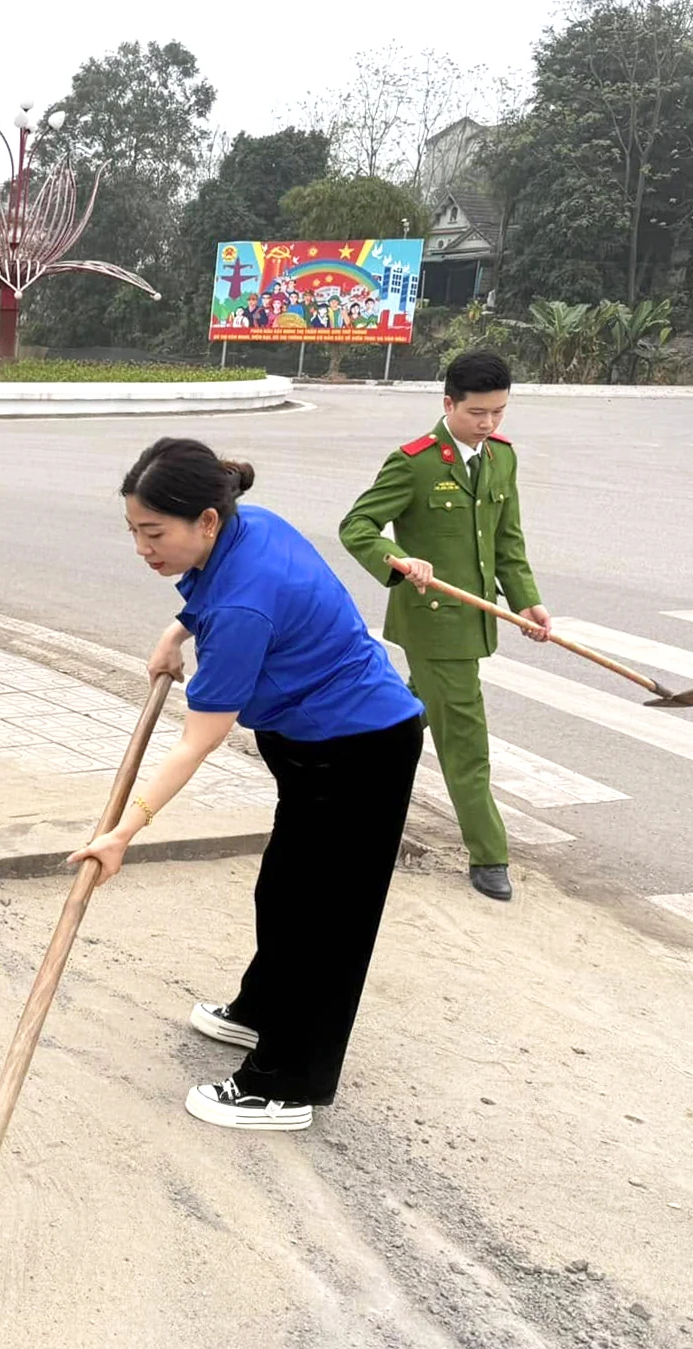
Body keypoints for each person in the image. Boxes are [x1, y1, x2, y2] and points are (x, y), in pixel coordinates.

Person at [73, 439, 425, 1132]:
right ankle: (260, 1011)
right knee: (285, 889)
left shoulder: (242, 607)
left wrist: (122, 831)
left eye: (154, 533)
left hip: (358, 753)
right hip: (311, 748)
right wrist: (176, 631)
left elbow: (195, 742)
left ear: (204, 519)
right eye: (133, 532)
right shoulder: (245, 524)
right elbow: (212, 591)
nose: (142, 548)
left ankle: (286, 1082)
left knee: (326, 925)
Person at [339, 350, 547, 903]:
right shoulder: (416, 462)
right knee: (465, 740)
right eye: (478, 413)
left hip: (475, 617)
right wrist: (399, 559)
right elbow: (357, 525)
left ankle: (343, 781)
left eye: (499, 412)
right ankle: (489, 853)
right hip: (434, 624)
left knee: (406, 714)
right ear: (448, 403)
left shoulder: (501, 458)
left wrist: (527, 602)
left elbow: (507, 541)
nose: (489, 424)